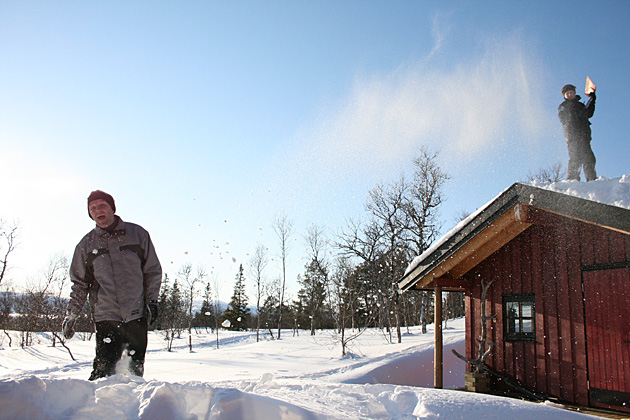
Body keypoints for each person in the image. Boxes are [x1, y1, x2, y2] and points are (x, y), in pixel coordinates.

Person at [62, 190, 162, 380]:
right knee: (103, 372)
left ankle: (131, 408)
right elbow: (79, 284)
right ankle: (95, 408)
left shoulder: (137, 234)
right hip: (106, 317)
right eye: (92, 208)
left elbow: (152, 271)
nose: (97, 210)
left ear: (112, 208)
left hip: (136, 315)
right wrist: (72, 314)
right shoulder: (86, 245)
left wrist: (152, 301)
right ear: (90, 214)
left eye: (101, 206)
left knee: (134, 371)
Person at [557, 83, 597, 181]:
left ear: (574, 93)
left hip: (584, 135)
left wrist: (592, 100)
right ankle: (572, 180)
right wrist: (574, 115)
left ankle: (591, 179)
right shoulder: (564, 106)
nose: (570, 94)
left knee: (589, 157)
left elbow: (589, 113)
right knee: (575, 156)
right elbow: (563, 118)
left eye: (571, 92)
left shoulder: (580, 105)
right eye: (567, 93)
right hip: (572, 135)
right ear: (564, 96)